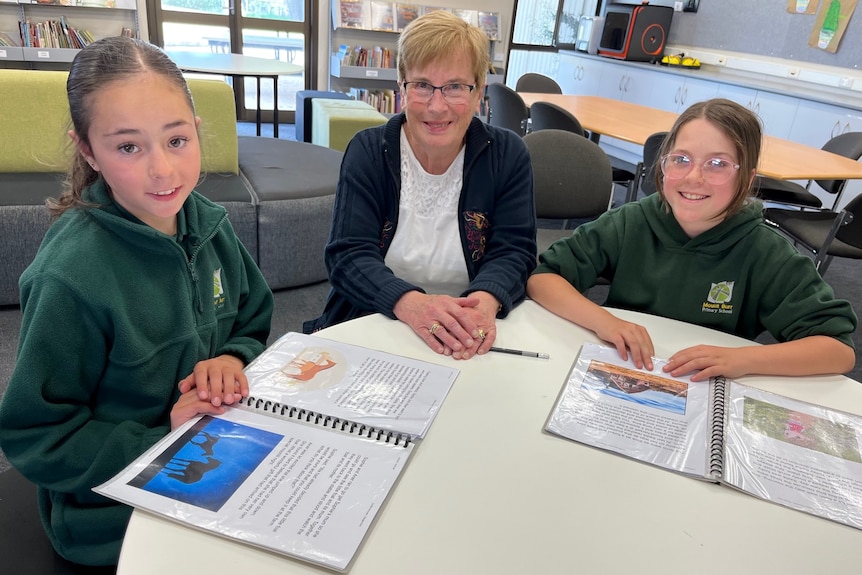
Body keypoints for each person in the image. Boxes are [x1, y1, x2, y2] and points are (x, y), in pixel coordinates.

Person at [0, 37, 273, 570]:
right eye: (128, 147)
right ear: (87, 150)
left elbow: (252, 315)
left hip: (216, 455)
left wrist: (232, 357)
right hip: (112, 514)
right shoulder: (70, 277)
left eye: (176, 139)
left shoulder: (209, 223)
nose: (163, 171)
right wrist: (163, 438)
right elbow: (37, 436)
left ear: (197, 128)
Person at [527, 98, 856, 381]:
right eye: (681, 159)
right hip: (624, 369)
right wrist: (606, 322)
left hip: (707, 388)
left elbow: (838, 350)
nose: (694, 177)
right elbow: (545, 279)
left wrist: (742, 360)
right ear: (664, 165)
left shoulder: (766, 252)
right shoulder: (631, 222)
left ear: (747, 177)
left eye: (718, 164)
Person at [304, 10, 537, 360]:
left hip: (469, 333)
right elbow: (347, 256)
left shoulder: (508, 155)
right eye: (423, 85)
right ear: (401, 88)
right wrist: (412, 305)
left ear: (479, 94)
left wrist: (484, 303)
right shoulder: (368, 151)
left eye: (456, 87)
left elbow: (514, 252)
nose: (437, 105)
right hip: (373, 319)